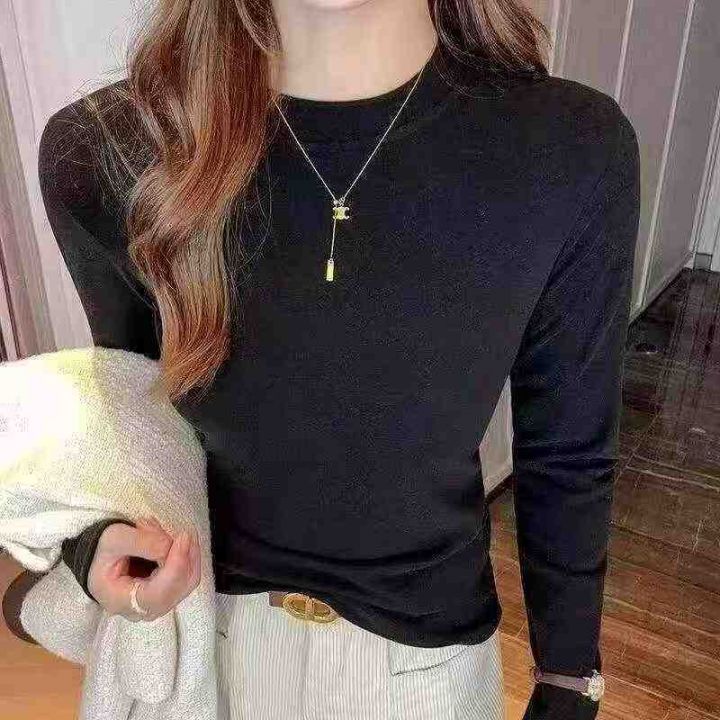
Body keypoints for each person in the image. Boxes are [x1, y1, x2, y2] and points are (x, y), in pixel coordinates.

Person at [36, 0, 641, 717]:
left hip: (425, 670)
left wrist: (569, 679)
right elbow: (127, 424)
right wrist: (96, 544)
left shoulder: (568, 150)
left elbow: (567, 450)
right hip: (194, 649)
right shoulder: (107, 149)